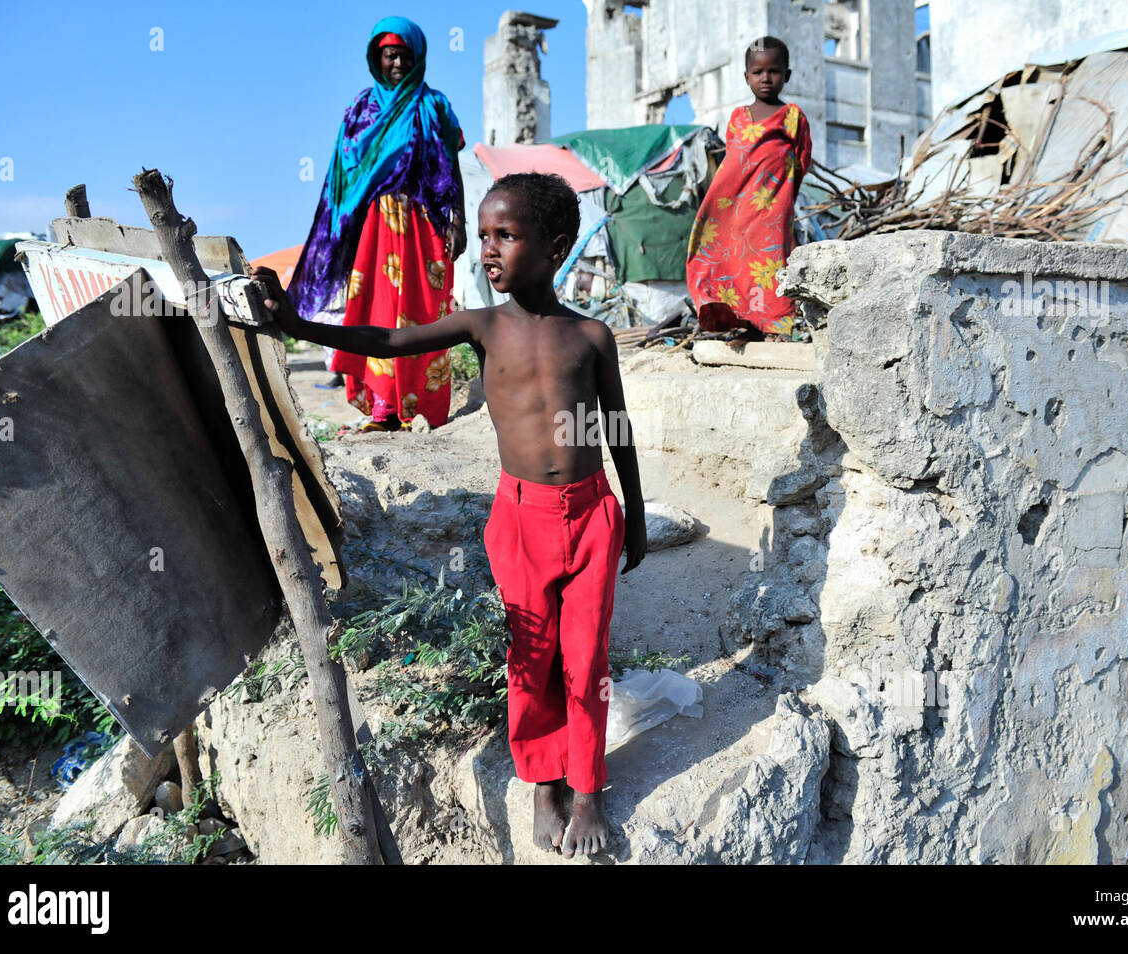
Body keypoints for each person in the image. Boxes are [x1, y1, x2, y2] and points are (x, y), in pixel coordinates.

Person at [253, 172, 648, 859]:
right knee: (532, 656)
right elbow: (387, 340)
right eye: (485, 235)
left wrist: (635, 516)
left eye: (506, 235)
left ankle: (587, 790)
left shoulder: (590, 336)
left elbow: (616, 429)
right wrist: (295, 325)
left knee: (586, 658)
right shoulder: (483, 327)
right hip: (519, 519)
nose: (489, 249)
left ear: (555, 248)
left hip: (590, 516)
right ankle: (542, 783)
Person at [288, 16, 467, 430]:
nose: (398, 63)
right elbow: (342, 175)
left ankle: (422, 408)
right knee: (378, 313)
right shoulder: (360, 109)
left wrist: (457, 220)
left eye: (405, 55)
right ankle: (385, 406)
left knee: (427, 313)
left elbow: (452, 167)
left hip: (426, 223)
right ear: (376, 58)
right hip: (375, 227)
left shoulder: (435, 105)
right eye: (390, 56)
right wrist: (340, 234)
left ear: (418, 57)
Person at [685, 36, 812, 339]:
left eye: (774, 71)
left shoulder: (793, 117)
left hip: (774, 208)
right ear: (746, 77)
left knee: (772, 263)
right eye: (758, 72)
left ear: (787, 75)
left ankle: (777, 324)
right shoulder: (738, 118)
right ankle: (739, 319)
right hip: (736, 211)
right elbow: (733, 164)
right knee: (735, 263)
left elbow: (802, 159)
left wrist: (780, 196)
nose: (766, 78)